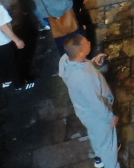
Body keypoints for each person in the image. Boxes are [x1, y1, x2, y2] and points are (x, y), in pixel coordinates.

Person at [58, 35, 118, 168]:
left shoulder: (65, 60)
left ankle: (99, 157)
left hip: (85, 113)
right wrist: (110, 118)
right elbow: (96, 103)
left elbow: (79, 67)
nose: (90, 43)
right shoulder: (85, 78)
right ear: (80, 53)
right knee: (108, 147)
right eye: (86, 43)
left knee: (96, 135)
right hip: (98, 116)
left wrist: (92, 63)